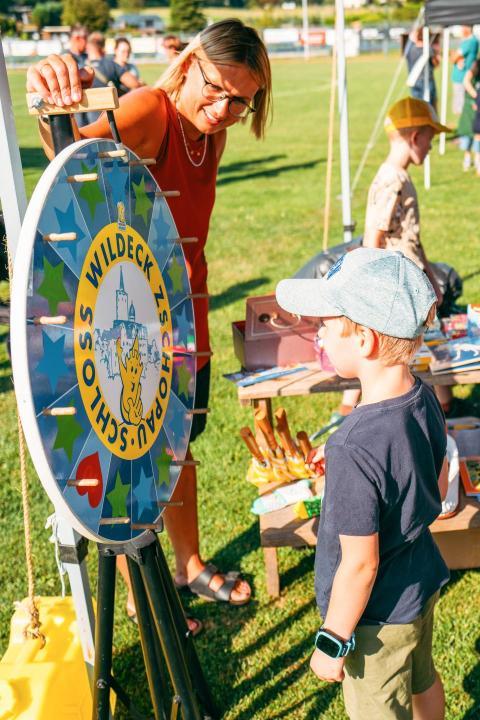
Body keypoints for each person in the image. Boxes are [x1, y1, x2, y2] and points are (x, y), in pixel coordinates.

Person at [26, 19, 272, 628]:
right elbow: (70, 156)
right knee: (136, 453)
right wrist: (52, 95)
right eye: (216, 89)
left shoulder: (210, 131)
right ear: (189, 65)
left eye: (240, 101)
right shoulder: (152, 111)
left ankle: (187, 565)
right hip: (135, 317)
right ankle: (142, 594)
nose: (224, 109)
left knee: (180, 441)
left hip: (185, 309)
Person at [276, 247, 449, 720]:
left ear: (366, 340)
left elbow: (359, 566)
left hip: (376, 620)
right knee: (423, 678)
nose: (319, 334)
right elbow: (435, 482)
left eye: (327, 325)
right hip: (420, 584)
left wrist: (332, 641)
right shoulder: (423, 397)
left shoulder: (353, 446)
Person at [333, 97, 452, 421]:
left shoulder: (400, 176)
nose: (431, 148)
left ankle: (440, 403)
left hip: (411, 282)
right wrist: (372, 293)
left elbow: (412, 237)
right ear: (415, 137)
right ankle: (354, 413)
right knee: (393, 354)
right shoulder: (392, 179)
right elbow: (374, 237)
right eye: (430, 139)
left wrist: (430, 277)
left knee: (415, 346)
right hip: (396, 288)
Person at [405, 27, 440, 111]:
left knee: (417, 106)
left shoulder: (410, 49)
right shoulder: (428, 49)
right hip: (427, 81)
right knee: (429, 107)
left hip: (413, 81)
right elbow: (436, 64)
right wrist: (437, 54)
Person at [451, 26, 479, 116]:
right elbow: (453, 55)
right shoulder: (466, 41)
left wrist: (455, 58)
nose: (461, 30)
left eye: (463, 27)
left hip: (462, 77)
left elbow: (453, 57)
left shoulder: (471, 42)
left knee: (461, 106)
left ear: (468, 28)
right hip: (460, 76)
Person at [458, 58, 480, 172]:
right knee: (467, 134)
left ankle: (477, 159)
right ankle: (467, 158)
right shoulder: (475, 67)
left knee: (478, 134)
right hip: (470, 108)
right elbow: (466, 81)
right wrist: (476, 97)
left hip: (477, 109)